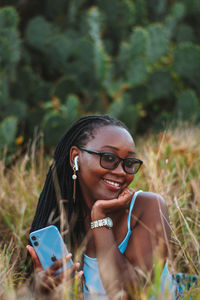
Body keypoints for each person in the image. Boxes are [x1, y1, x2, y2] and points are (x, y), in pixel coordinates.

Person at [27, 114, 171, 299]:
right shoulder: (62, 221)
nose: (121, 172)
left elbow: (129, 295)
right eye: (109, 158)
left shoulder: (148, 207)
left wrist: (100, 219)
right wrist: (42, 291)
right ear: (75, 158)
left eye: (129, 163)